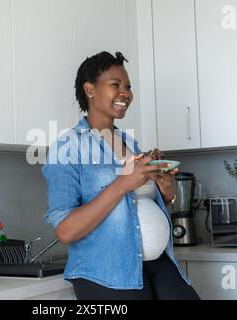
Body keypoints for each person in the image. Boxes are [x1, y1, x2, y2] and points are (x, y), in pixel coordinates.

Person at [42, 51, 200, 300]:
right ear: (90, 90)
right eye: (115, 85)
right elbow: (65, 230)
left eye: (127, 86)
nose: (125, 93)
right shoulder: (67, 149)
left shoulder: (130, 144)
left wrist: (165, 190)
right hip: (106, 269)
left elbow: (137, 208)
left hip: (154, 262)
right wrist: (124, 183)